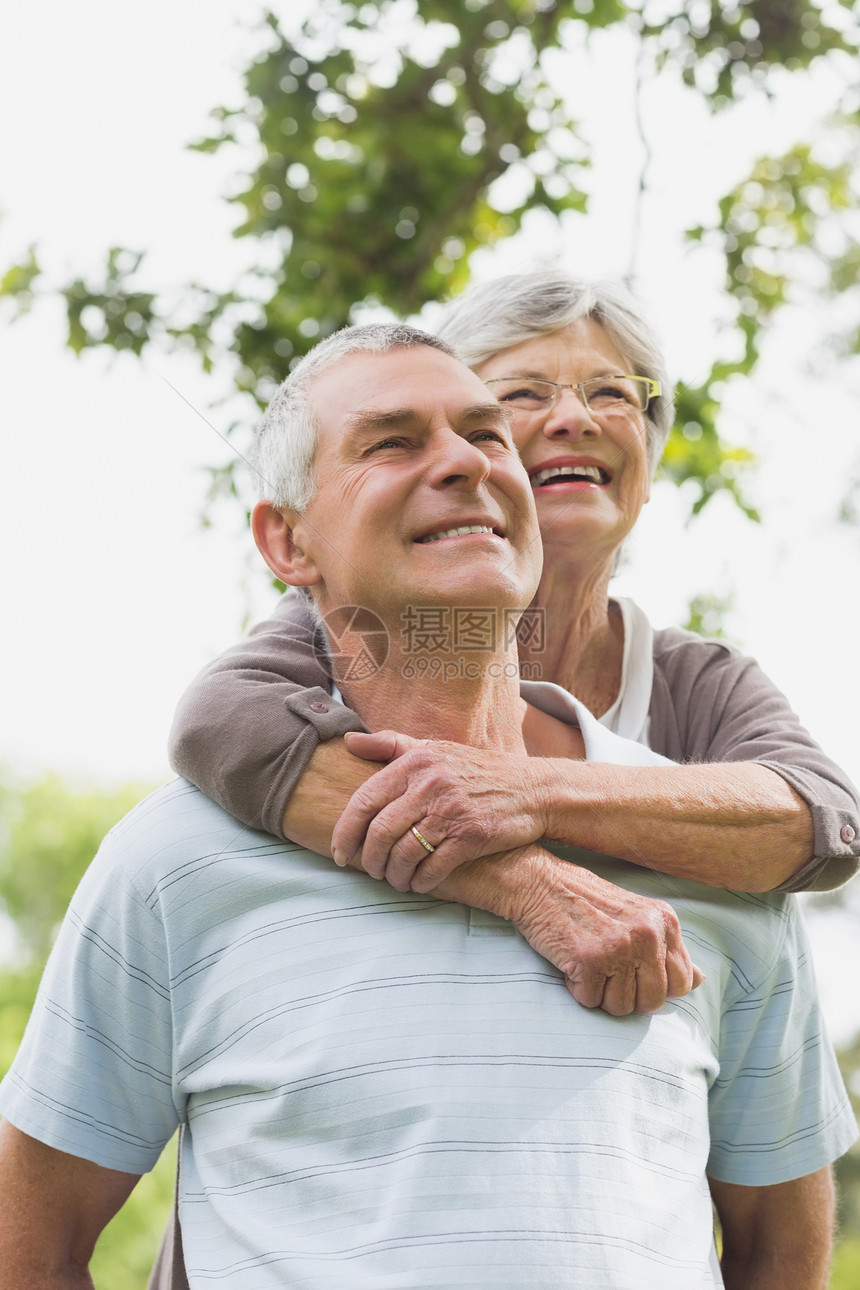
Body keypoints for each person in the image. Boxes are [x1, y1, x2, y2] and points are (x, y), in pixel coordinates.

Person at [0, 324, 855, 1289]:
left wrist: (526, 797)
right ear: (287, 540)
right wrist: (521, 878)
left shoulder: (710, 856)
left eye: (487, 437)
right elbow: (28, 1249)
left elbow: (781, 1251)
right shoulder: (173, 862)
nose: (466, 462)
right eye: (391, 442)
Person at [167, 272, 860, 954]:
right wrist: (523, 879)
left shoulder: (696, 680)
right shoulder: (342, 625)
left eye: (613, 393)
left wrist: (528, 790)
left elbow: (826, 822)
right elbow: (218, 721)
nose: (575, 419)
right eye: (524, 395)